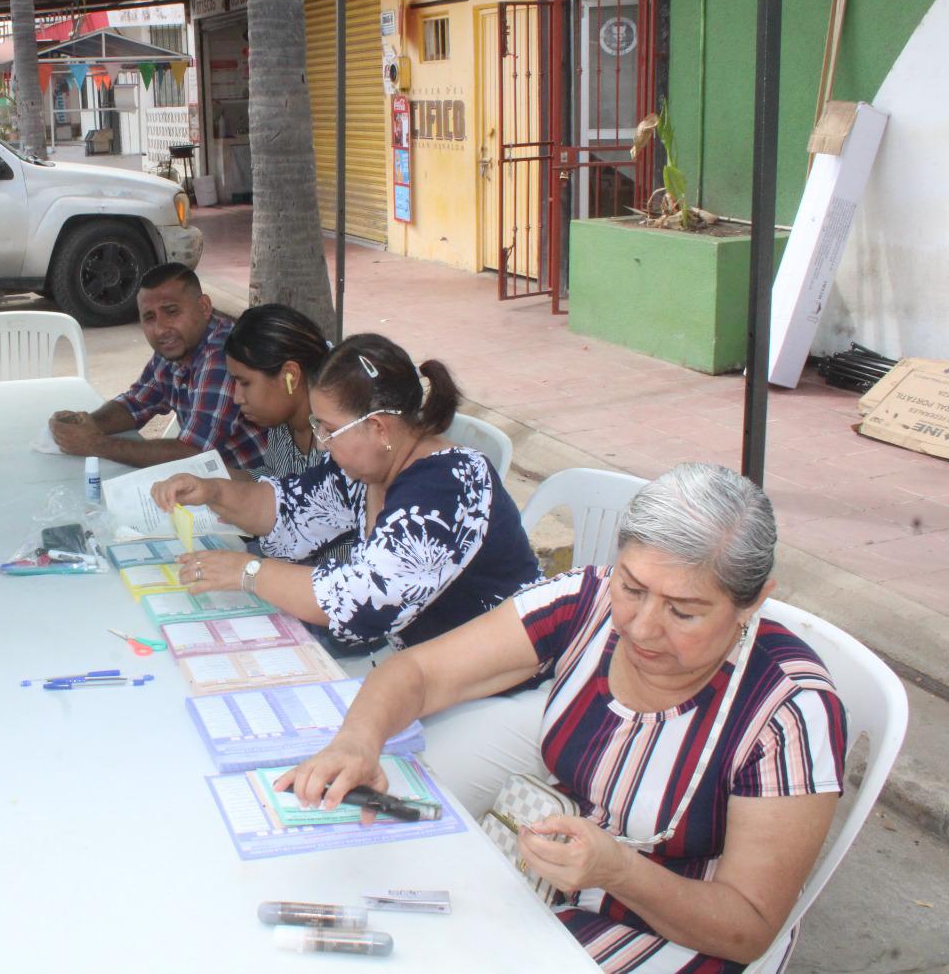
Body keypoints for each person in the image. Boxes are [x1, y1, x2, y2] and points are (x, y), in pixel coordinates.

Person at [279, 463, 848, 973]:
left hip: (687, 929)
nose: (641, 627)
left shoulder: (789, 710)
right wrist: (358, 740)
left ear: (752, 601)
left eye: (683, 612)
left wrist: (619, 871)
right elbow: (419, 673)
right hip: (560, 881)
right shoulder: (587, 602)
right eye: (632, 588)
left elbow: (748, 926)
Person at [150, 333, 540, 651]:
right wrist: (213, 491)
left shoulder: (447, 487)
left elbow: (363, 598)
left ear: (379, 428)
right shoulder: (369, 469)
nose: (321, 442)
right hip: (426, 665)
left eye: (330, 429)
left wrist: (248, 571)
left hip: (500, 677)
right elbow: (287, 509)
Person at [48, 263, 266, 471]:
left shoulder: (223, 354)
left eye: (171, 311)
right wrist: (86, 424)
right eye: (149, 317)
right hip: (211, 478)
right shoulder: (177, 346)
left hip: (254, 484)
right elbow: (136, 403)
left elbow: (193, 453)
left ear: (204, 307)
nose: (161, 329)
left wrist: (97, 444)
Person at [222, 303, 331, 480]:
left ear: (290, 375)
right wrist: (215, 482)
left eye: (245, 383)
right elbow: (274, 479)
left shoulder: (340, 433)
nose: (237, 398)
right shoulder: (281, 417)